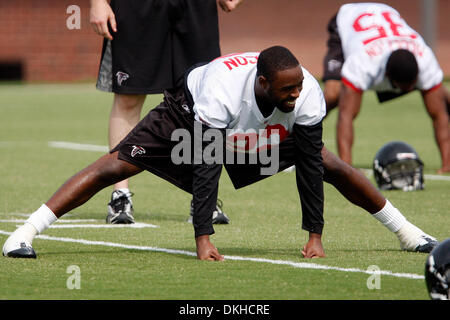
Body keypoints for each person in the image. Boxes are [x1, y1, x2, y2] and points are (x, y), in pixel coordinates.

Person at [2, 46, 437, 261]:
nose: (294, 95)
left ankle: (408, 233)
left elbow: (307, 166)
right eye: (286, 89)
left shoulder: (305, 96)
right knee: (115, 164)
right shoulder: (224, 92)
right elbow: (207, 159)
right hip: (188, 115)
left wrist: (315, 235)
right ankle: (25, 232)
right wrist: (203, 238)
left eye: (298, 87)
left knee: (328, 163)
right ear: (262, 82)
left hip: (251, 134)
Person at [89, 0, 243, 224]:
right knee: (129, 97)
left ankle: (204, 199)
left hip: (196, 6)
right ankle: (120, 197)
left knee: (204, 96)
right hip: (137, 8)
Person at [322, 2, 450, 173]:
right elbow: (346, 115)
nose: (407, 91)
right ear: (387, 76)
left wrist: (447, 165)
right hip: (348, 19)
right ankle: (293, 135)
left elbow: (439, 116)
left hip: (386, 15)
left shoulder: (425, 59)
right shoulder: (363, 63)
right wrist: (347, 168)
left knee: (442, 99)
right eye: (404, 88)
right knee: (333, 94)